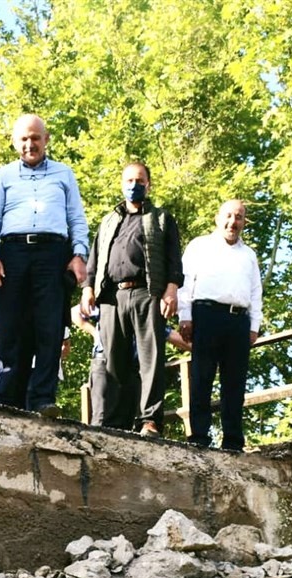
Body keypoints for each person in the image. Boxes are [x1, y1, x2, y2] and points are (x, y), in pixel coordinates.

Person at [0, 114, 89, 416]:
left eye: (36, 138)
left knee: (49, 326)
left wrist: (79, 254)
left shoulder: (64, 174)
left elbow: (76, 218)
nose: (30, 144)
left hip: (53, 253)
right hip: (13, 253)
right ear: (16, 142)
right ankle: (4, 396)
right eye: (24, 139)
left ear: (46, 139)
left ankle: (42, 398)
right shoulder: (3, 175)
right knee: (10, 326)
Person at [80, 162, 182, 437]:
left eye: (139, 180)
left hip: (147, 293)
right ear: (121, 183)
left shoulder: (161, 219)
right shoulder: (110, 220)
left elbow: (174, 261)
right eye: (129, 180)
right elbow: (94, 259)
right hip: (112, 296)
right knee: (114, 359)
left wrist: (170, 290)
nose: (133, 185)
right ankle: (116, 422)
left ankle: (149, 420)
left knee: (150, 358)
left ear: (148, 184)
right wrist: (88, 288)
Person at [178, 199, 262, 452]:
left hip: (238, 320)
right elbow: (185, 282)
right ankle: (200, 436)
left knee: (235, 381)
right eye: (228, 216)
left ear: (243, 222)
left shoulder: (249, 255)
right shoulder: (199, 246)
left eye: (238, 217)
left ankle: (233, 440)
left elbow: (256, 291)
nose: (232, 222)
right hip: (206, 314)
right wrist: (185, 316)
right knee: (202, 377)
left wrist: (254, 326)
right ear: (218, 218)